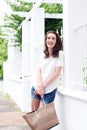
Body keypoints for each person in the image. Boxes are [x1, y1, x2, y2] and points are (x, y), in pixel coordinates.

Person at [31, 30, 64, 111]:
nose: (50, 40)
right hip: (36, 87)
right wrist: (39, 86)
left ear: (56, 41)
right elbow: (39, 70)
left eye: (53, 38)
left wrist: (43, 87)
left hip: (50, 89)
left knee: (45, 117)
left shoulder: (60, 54)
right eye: (48, 38)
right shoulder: (42, 54)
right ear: (46, 40)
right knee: (33, 114)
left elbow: (57, 73)